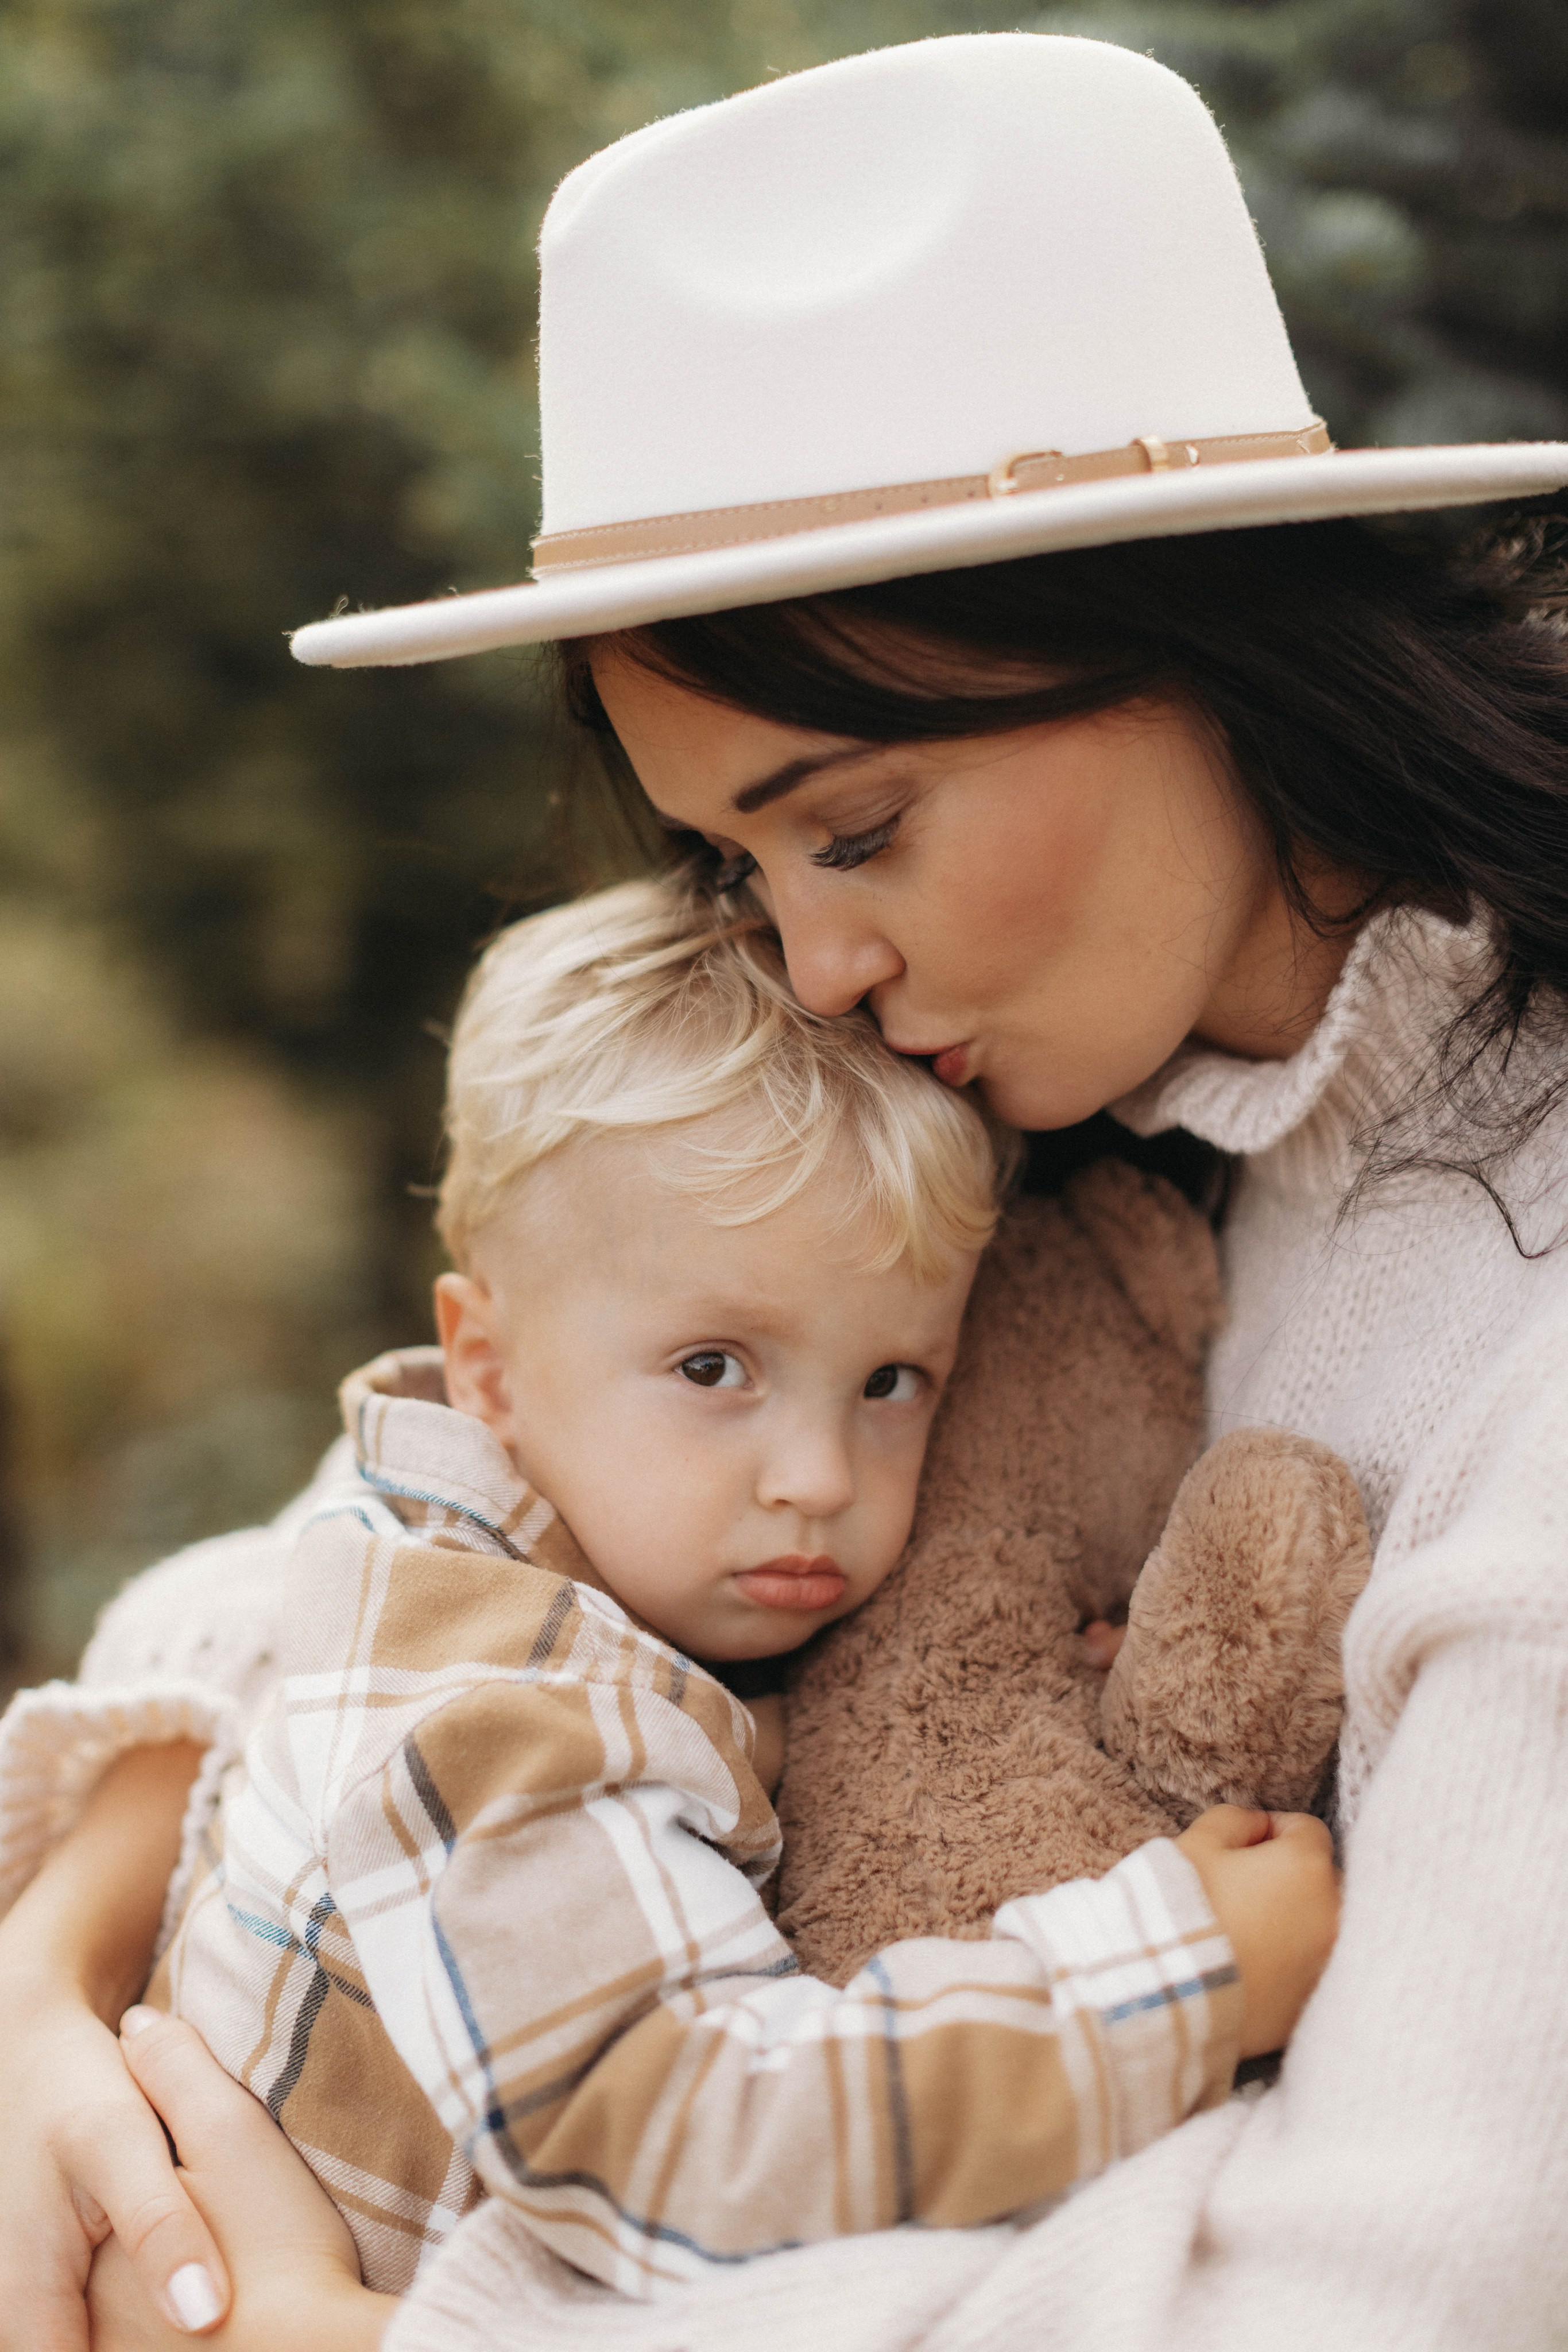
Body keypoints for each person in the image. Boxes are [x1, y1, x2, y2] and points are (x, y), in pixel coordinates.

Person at [6, 25, 1568, 2352]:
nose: (809, 962)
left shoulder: (1515, 1330)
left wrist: (355, 2340)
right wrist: (60, 1957)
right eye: (732, 854)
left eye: (852, 829)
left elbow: (1388, 2292)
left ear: (1197, 645)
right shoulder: (1066, 1107)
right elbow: (402, 1543)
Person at [145, 870, 1329, 2308]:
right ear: (490, 1367)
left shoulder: (487, 1530)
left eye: (892, 1379)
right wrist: (1173, 1977)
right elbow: (692, 2122)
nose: (819, 1474)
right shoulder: (496, 1702)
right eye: (714, 1367)